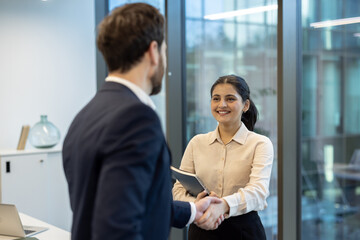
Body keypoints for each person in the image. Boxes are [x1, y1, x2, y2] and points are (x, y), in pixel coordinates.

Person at [62, 3, 222, 240]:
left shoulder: (86, 115)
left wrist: (192, 210)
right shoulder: (136, 119)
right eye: (165, 51)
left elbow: (126, 201)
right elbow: (118, 227)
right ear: (153, 51)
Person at [172, 75, 274, 239]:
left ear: (245, 105)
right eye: (216, 99)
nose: (222, 104)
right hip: (201, 230)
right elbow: (178, 190)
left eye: (230, 99)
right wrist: (196, 204)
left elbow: (258, 192)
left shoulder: (260, 144)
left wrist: (223, 206)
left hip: (244, 232)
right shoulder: (197, 143)